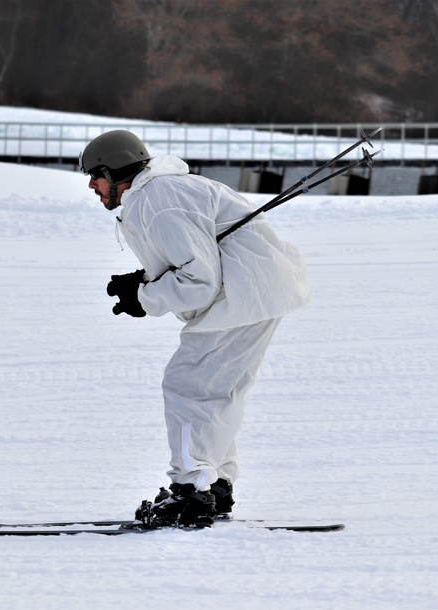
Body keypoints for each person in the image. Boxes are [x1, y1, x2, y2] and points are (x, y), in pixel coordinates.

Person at [80, 129, 311, 528]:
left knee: (189, 386)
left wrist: (145, 297)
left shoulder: (157, 200)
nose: (91, 185)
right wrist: (144, 281)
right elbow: (197, 256)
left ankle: (191, 490)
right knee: (219, 392)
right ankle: (215, 482)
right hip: (257, 291)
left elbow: (200, 281)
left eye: (94, 176)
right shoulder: (164, 191)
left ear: (114, 170)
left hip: (240, 297)